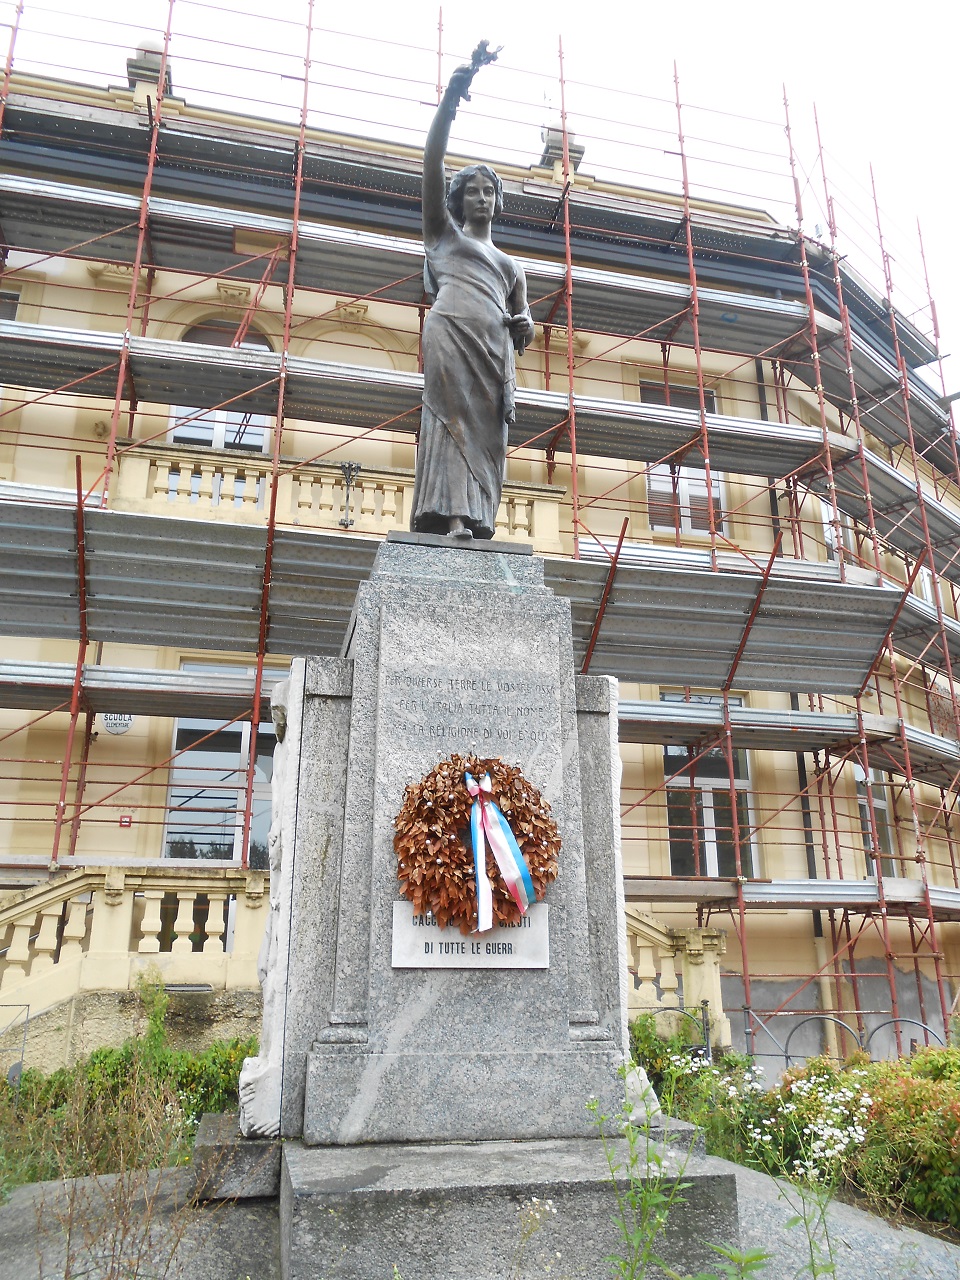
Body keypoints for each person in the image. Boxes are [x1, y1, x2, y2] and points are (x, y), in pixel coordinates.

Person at [411, 46, 535, 541]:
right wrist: (450, 101)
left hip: (492, 354)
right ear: (458, 200)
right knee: (450, 422)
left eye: (488, 192)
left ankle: (477, 517)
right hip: (450, 334)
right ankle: (454, 519)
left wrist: (525, 326)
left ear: (497, 202)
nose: (480, 198)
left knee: (488, 439)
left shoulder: (512, 266)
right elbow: (432, 160)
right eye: (472, 191)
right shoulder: (444, 236)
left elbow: (523, 324)